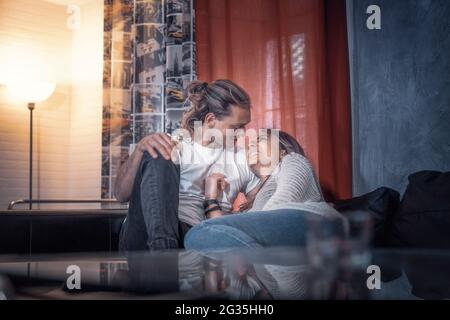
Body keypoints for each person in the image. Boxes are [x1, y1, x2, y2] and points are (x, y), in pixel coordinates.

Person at [116, 79, 260, 251]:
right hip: (144, 235)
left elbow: (264, 200)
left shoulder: (241, 159)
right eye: (237, 127)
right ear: (211, 119)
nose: (242, 133)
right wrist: (139, 150)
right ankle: (165, 253)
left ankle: (164, 257)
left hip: (196, 237)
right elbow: (120, 194)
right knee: (160, 151)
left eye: (244, 127)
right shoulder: (177, 145)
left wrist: (222, 208)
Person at [184, 130, 347, 250]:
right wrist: (211, 199)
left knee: (199, 232)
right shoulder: (254, 202)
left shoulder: (293, 160)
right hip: (282, 240)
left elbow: (285, 200)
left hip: (312, 223)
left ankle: (259, 261)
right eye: (250, 145)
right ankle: (260, 266)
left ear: (282, 151)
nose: (251, 144)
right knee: (200, 234)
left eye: (261, 139)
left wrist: (249, 227)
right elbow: (221, 232)